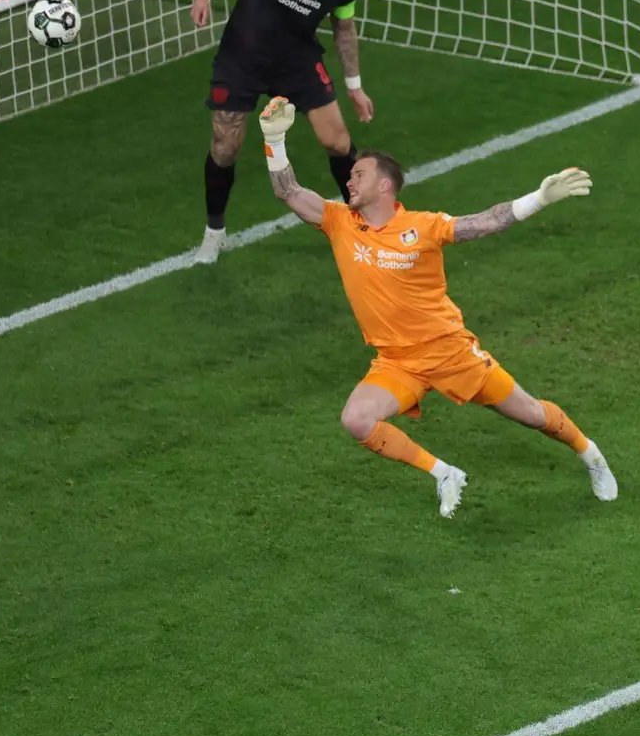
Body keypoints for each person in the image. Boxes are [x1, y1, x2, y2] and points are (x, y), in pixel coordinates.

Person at [253, 96, 618, 517]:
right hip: (396, 361)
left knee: (532, 414)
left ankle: (590, 454)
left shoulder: (421, 226)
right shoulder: (338, 222)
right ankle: (445, 473)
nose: (349, 182)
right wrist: (274, 139)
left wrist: (539, 198)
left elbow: (485, 222)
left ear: (385, 185)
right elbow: (289, 191)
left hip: (449, 351)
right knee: (357, 420)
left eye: (358, 175)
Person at [190, 0, 374, 265]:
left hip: (296, 62)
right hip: (242, 55)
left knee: (337, 141)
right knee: (224, 146)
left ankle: (366, 230)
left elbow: (343, 27)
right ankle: (214, 232)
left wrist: (355, 86)